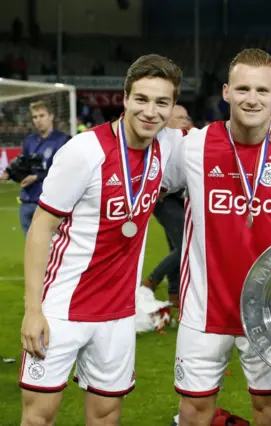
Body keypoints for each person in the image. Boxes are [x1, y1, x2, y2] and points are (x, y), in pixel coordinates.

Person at [162, 48, 271, 426]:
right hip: (202, 308)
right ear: (225, 92)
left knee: (269, 411)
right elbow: (151, 175)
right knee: (193, 413)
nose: (251, 98)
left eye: (261, 90)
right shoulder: (193, 145)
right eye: (242, 89)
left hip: (270, 311)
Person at [17, 54, 187, 426]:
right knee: (38, 417)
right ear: (125, 98)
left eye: (162, 102)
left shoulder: (171, 146)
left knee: (106, 415)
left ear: (174, 108)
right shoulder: (83, 152)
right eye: (141, 99)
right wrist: (33, 310)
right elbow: (41, 228)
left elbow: (233, 135)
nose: (150, 111)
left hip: (119, 315)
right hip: (62, 308)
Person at [139, 105, 191, 308]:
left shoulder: (187, 140)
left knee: (176, 246)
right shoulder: (160, 141)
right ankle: (151, 280)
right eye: (179, 117)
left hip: (180, 198)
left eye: (186, 117)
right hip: (163, 198)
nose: (185, 120)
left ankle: (174, 295)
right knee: (187, 244)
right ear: (168, 120)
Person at [0, 100, 69, 235]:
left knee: (51, 250)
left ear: (51, 116)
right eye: (35, 117)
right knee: (32, 251)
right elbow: (22, 161)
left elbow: (64, 170)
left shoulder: (62, 140)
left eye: (42, 115)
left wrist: (37, 177)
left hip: (49, 203)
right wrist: (9, 172)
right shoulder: (30, 140)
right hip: (27, 201)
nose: (38, 120)